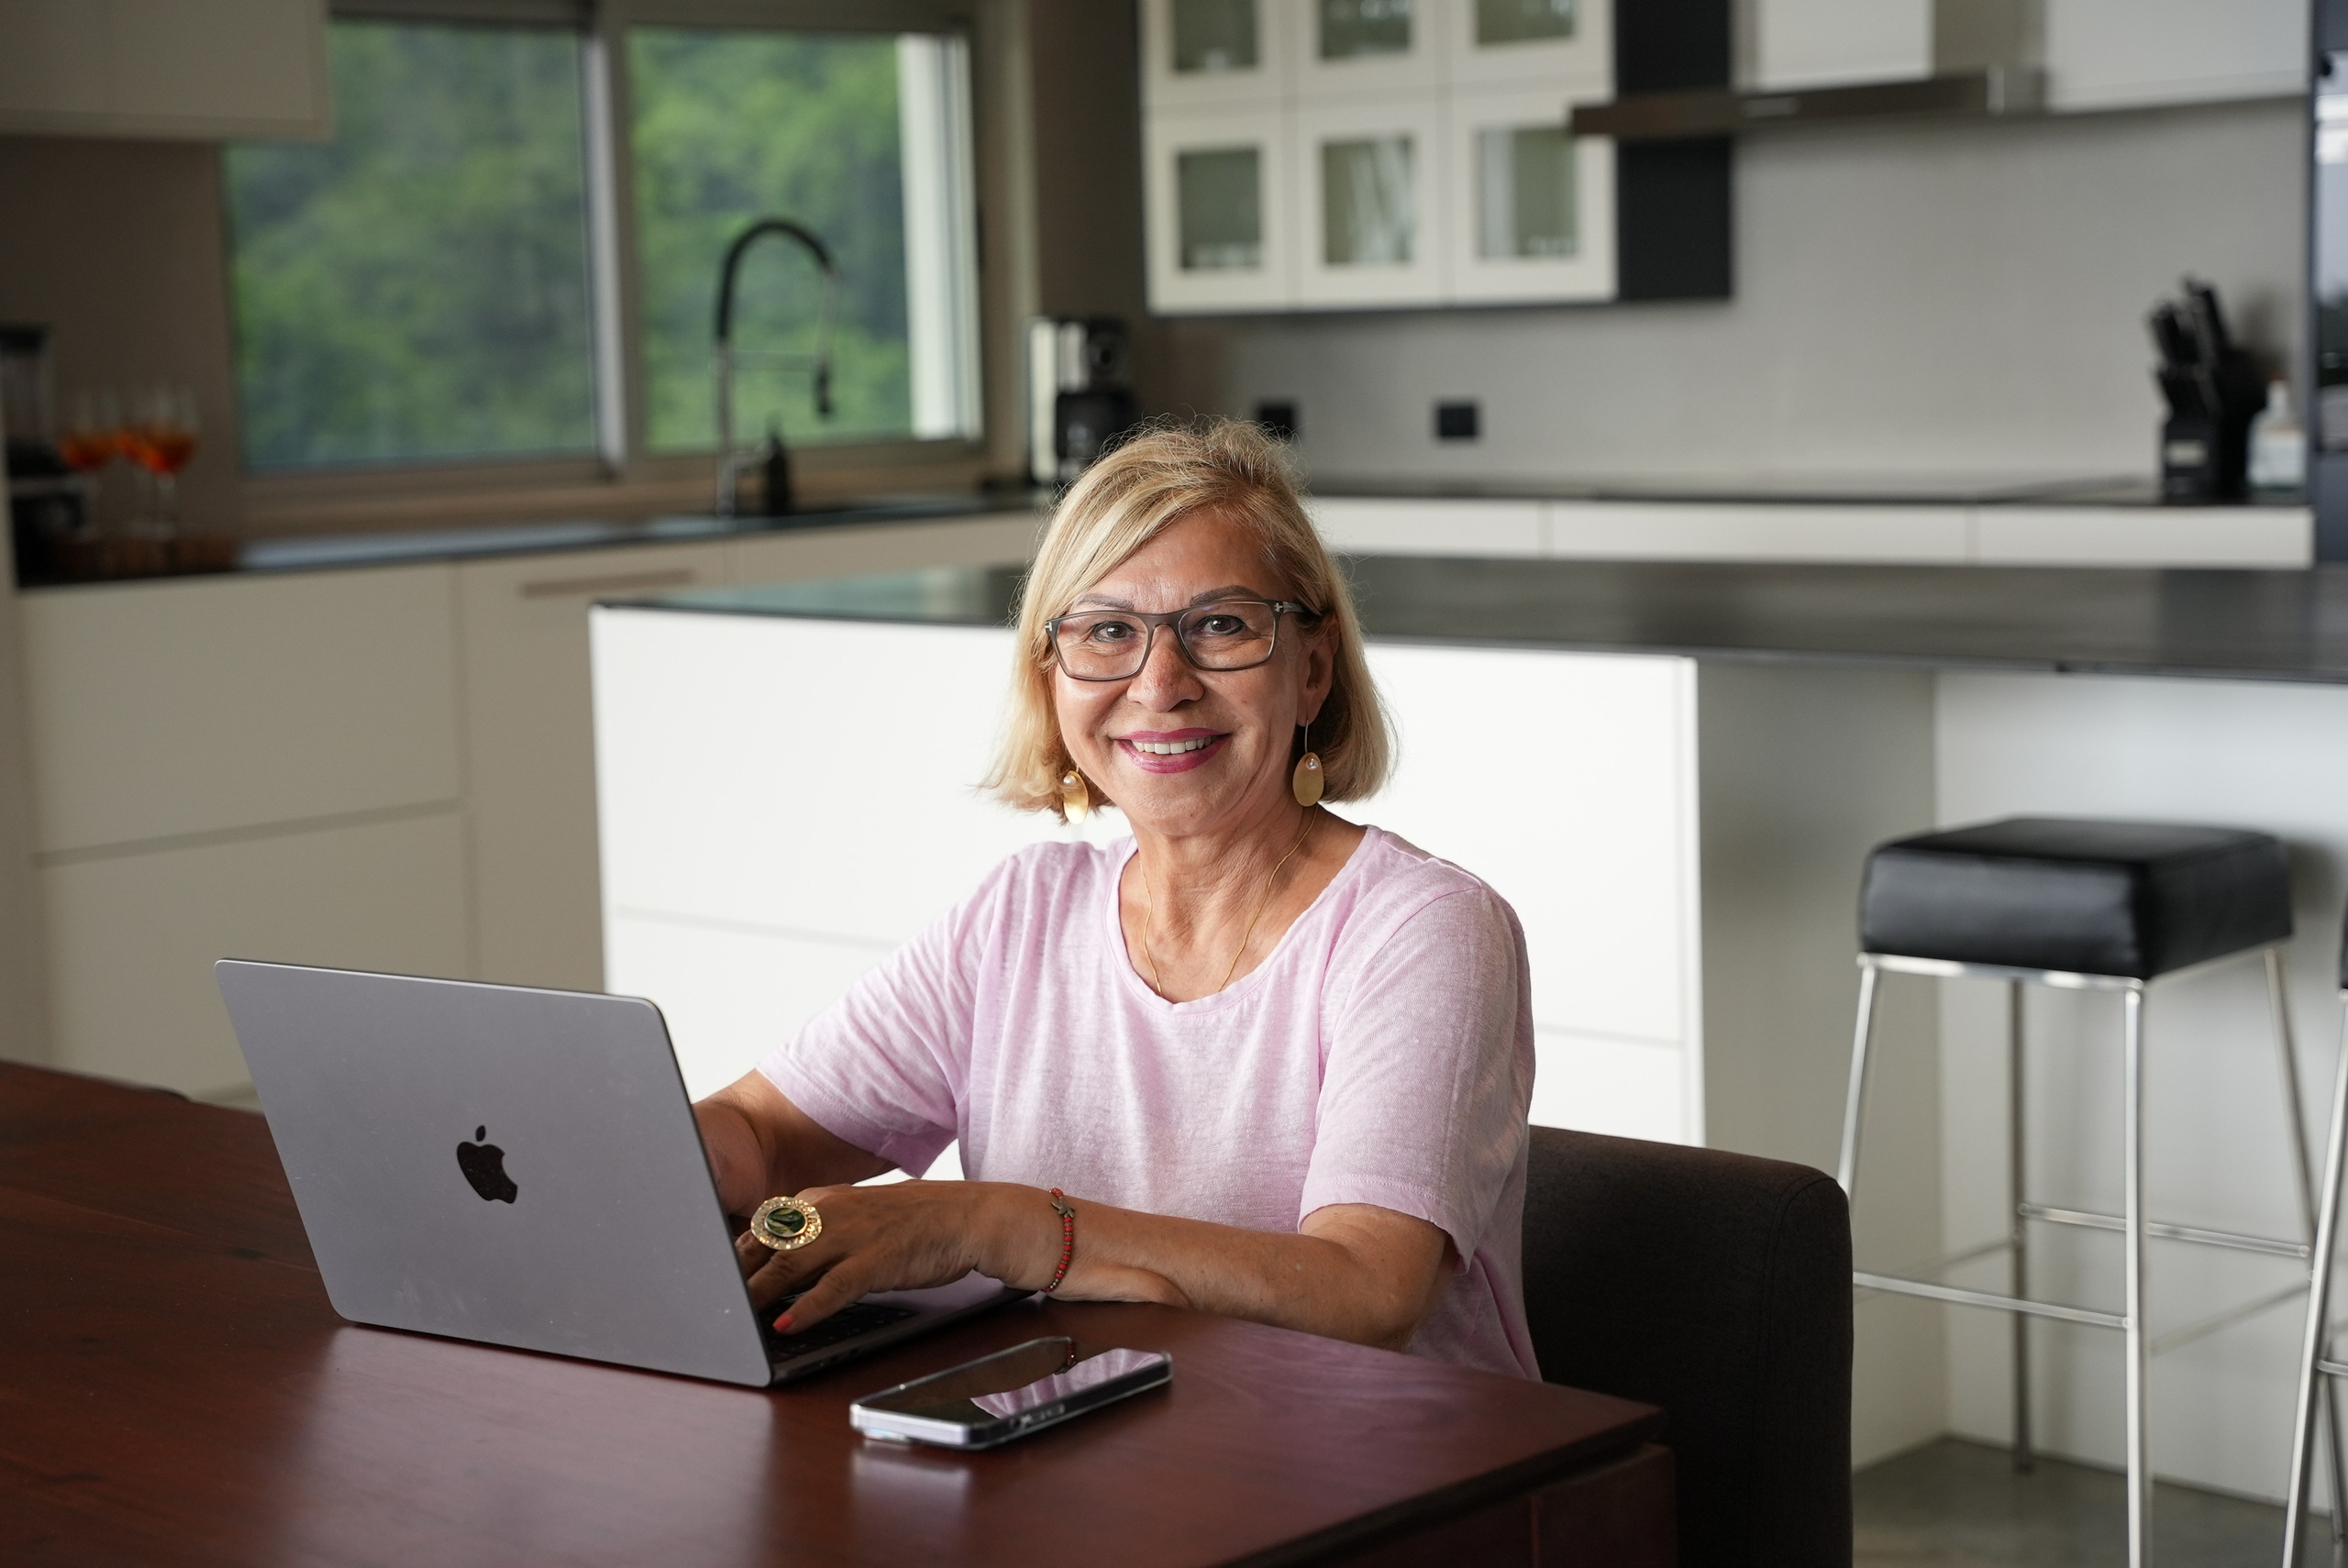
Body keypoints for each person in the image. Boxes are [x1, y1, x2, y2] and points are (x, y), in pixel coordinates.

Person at [692, 419, 1538, 1377]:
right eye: (1107, 632)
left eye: (1220, 625)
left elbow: (1368, 1291)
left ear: (1311, 668)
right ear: (1050, 676)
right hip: (1101, 1455)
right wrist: (657, 1155)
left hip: (1396, 1482)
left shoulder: (1423, 930)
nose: (1160, 683)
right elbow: (764, 1140)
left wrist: (1001, 1226)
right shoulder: (1020, 914)